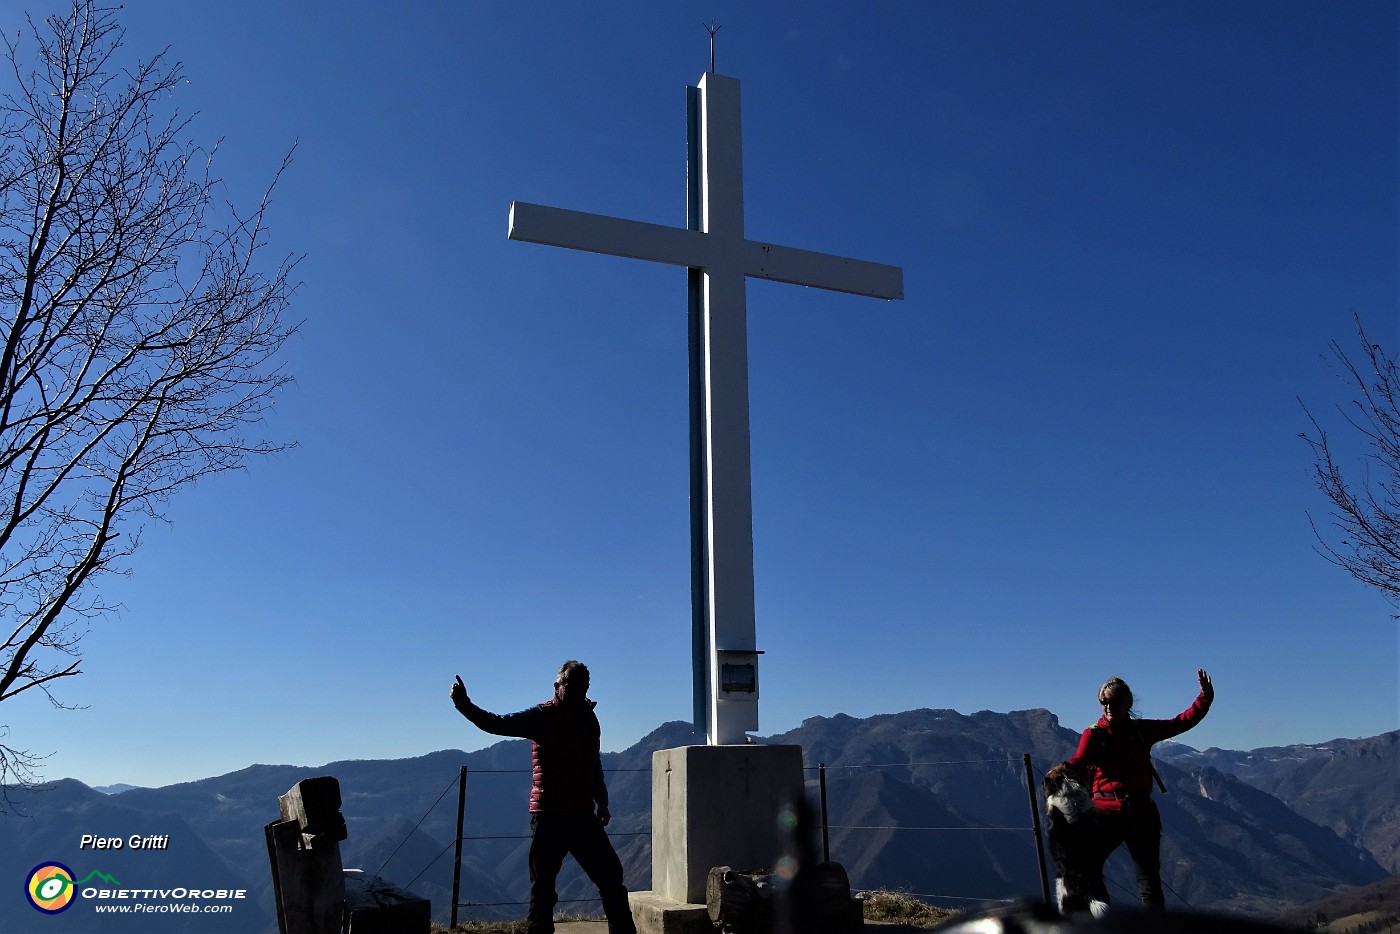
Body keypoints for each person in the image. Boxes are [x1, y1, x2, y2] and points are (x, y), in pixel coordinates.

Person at [449, 660, 637, 934]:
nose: (578, 692)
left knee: (610, 879)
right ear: (557, 686)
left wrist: (603, 800)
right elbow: (497, 723)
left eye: (583, 687)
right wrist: (464, 704)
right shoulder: (542, 716)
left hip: (580, 813)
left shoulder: (587, 717)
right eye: (573, 686)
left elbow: (592, 762)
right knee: (544, 890)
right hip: (550, 815)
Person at [1063, 668, 1214, 911]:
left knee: (1147, 881)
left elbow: (1182, 722)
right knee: (1086, 870)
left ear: (1127, 703)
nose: (1107, 707)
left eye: (1113, 702)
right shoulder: (1093, 735)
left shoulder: (1140, 730)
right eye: (1103, 702)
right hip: (1111, 814)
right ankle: (1107, 924)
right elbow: (1076, 764)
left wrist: (1205, 697)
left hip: (1136, 813)